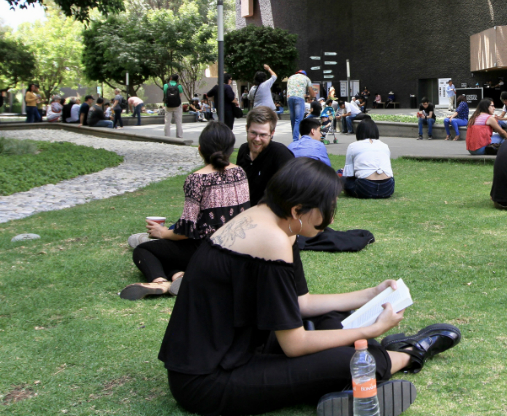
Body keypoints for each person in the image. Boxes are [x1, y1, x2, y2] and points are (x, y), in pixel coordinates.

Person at [158, 158, 460, 416]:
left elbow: (301, 302)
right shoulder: (271, 239)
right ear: (297, 210)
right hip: (207, 380)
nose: (331, 216)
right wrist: (372, 330)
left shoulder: (274, 220)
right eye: (328, 207)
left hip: (243, 346)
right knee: (353, 359)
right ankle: (408, 354)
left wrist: (371, 294)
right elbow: (295, 344)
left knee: (333, 320)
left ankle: (344, 382)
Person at [121, 122, 250, 300]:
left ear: (200, 149)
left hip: (206, 249)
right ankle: (178, 276)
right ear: (230, 149)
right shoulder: (240, 172)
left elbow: (186, 231)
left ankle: (160, 282)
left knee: (144, 250)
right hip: (237, 249)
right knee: (171, 254)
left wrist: (162, 232)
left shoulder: (197, 179)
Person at [237, 106, 295, 204]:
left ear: (272, 133)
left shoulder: (281, 155)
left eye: (263, 135)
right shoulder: (243, 150)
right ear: (247, 129)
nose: (257, 139)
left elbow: (292, 194)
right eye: (253, 133)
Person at [344, 118, 394, 199]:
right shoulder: (385, 146)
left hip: (365, 187)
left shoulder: (353, 146)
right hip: (387, 187)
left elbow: (349, 173)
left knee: (343, 178)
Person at [286, 69, 313, 137]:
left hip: (289, 98)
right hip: (299, 98)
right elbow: (312, 93)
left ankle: (294, 138)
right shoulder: (306, 78)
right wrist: (310, 97)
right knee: (298, 120)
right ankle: (295, 139)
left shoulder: (291, 77)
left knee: (293, 120)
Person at [163, 74, 184, 139]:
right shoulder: (179, 86)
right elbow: (180, 95)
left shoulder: (166, 85)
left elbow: (165, 94)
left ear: (171, 78)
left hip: (168, 105)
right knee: (178, 121)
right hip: (177, 106)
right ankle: (179, 135)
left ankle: (167, 136)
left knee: (167, 122)